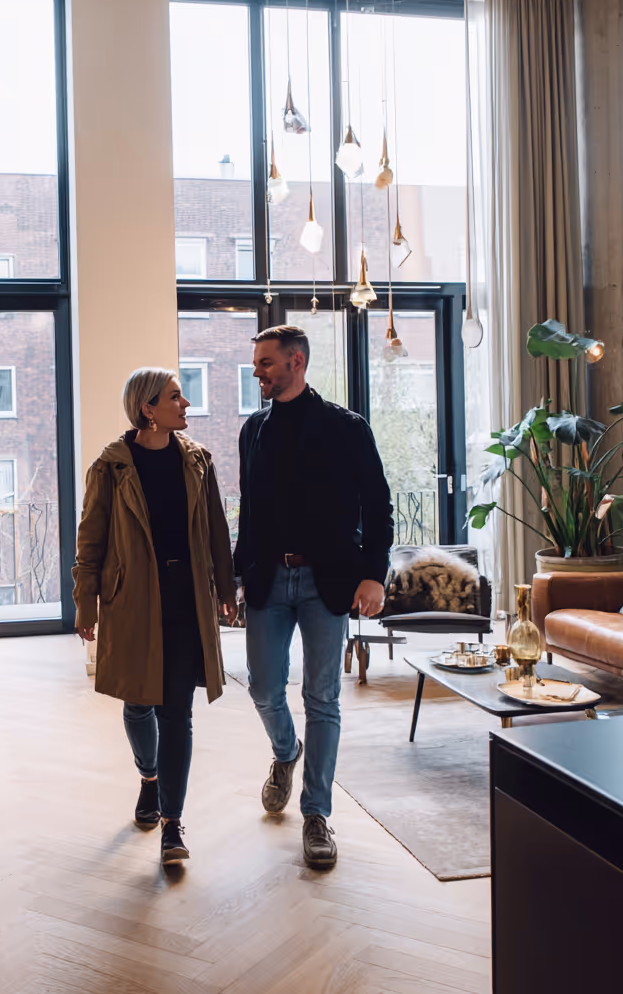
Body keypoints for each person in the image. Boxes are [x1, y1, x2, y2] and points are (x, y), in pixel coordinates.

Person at [234, 325, 393, 867]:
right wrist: (237, 576)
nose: (257, 372)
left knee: (322, 699)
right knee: (262, 687)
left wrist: (374, 574)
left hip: (330, 581)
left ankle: (316, 814)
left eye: (265, 364)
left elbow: (378, 507)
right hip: (268, 581)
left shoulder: (346, 429)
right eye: (257, 364)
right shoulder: (252, 430)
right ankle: (286, 752)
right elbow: (248, 514)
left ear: (296, 362)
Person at [74, 368, 237, 866]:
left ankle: (172, 821)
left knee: (177, 713)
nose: (185, 403)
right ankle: (149, 778)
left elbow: (215, 530)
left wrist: (227, 591)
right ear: (148, 409)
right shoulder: (111, 466)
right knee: (138, 702)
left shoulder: (197, 461)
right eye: (174, 396)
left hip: (187, 599)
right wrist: (86, 602)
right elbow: (91, 539)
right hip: (132, 601)